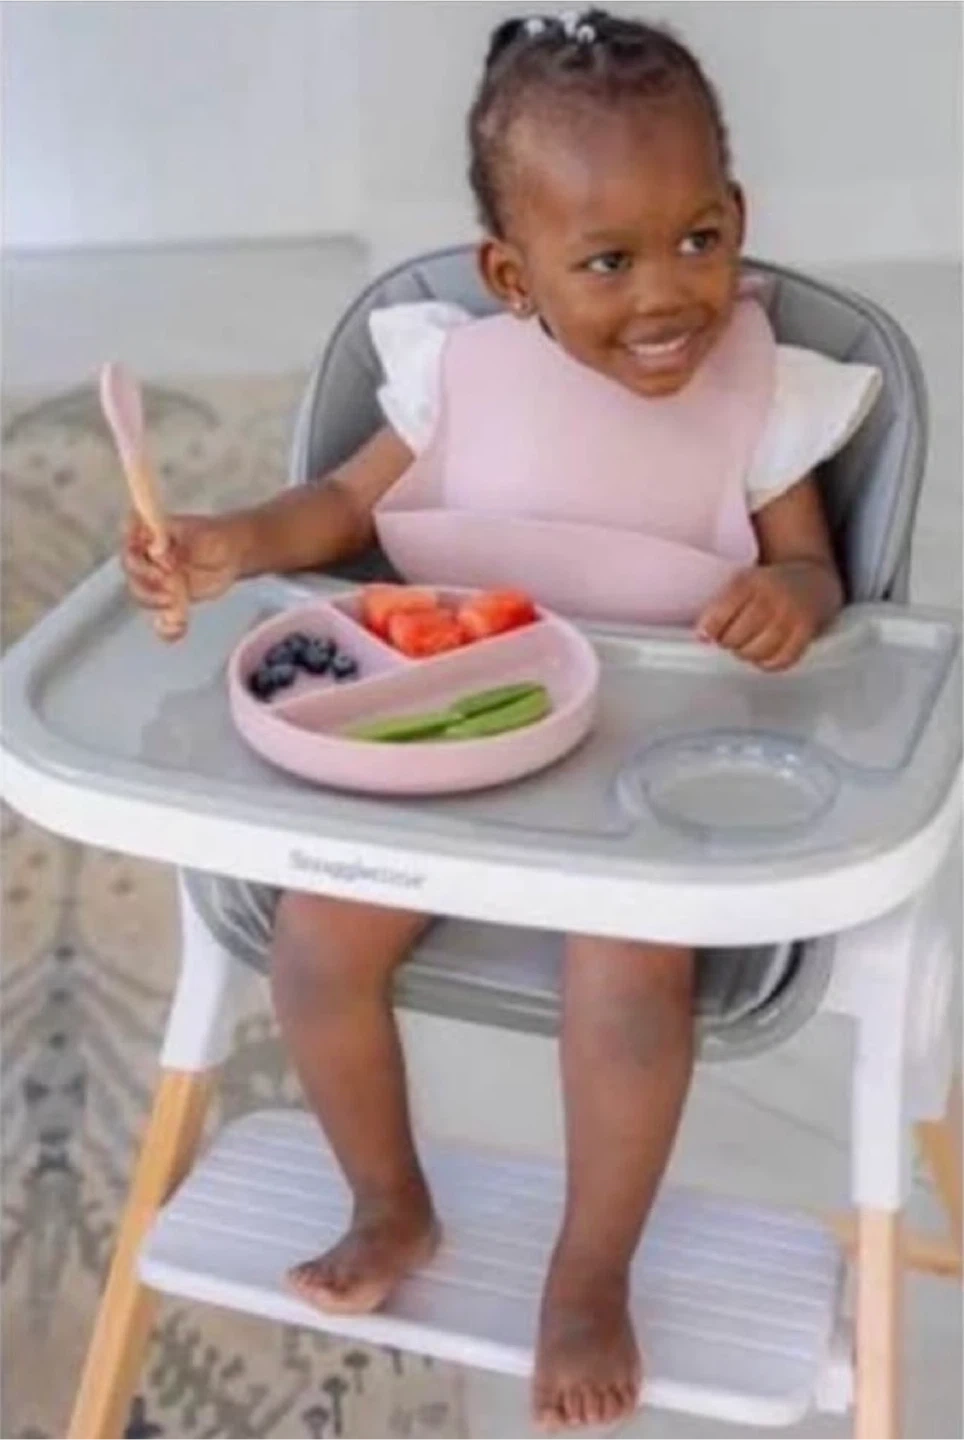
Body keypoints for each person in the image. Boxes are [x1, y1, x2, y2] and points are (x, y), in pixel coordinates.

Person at [122, 10, 880, 1430]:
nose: (668, 294)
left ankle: (589, 1274)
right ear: (509, 274)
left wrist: (791, 594)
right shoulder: (453, 370)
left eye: (698, 239)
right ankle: (388, 1200)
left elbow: (812, 568)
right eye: (607, 261)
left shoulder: (763, 386)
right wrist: (232, 541)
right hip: (450, 748)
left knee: (630, 981)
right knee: (316, 947)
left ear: (737, 217)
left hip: (645, 779)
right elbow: (337, 510)